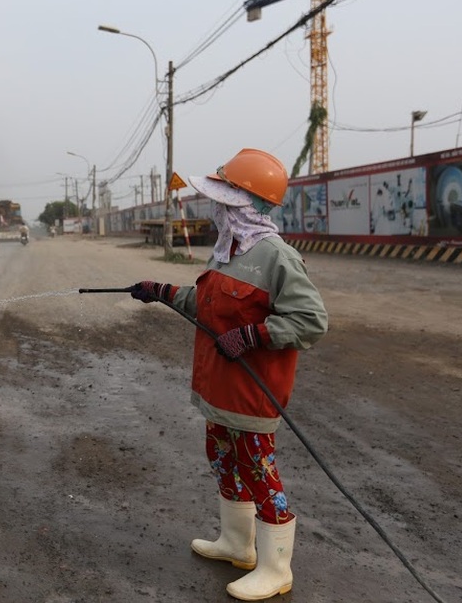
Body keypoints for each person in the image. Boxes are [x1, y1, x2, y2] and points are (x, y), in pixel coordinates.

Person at [130, 148, 328, 601]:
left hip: (251, 396)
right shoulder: (229, 251)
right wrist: (160, 291)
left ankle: (276, 567)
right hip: (219, 390)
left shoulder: (276, 258)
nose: (215, 209)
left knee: (258, 468)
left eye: (222, 201)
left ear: (242, 205)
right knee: (221, 459)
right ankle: (238, 545)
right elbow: (208, 305)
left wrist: (256, 335)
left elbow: (312, 321)